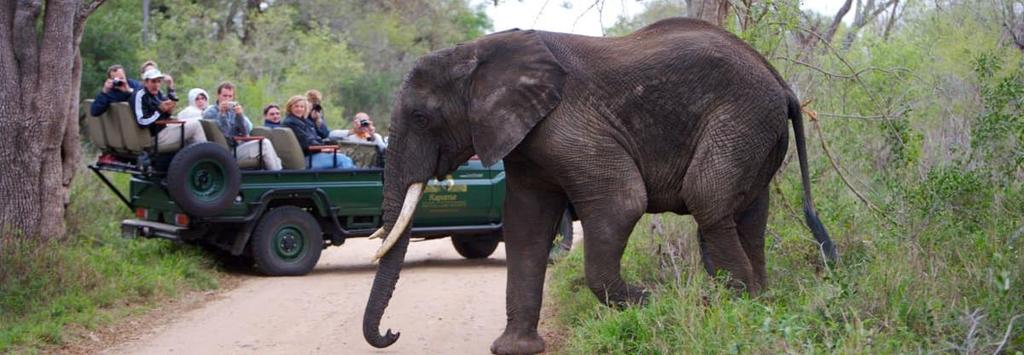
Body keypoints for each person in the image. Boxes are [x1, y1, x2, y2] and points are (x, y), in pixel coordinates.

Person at [202, 82, 283, 171]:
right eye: (224, 96)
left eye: (230, 96)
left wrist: (240, 115)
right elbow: (226, 133)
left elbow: (245, 132)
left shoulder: (233, 110)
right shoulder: (210, 113)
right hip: (228, 150)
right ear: (218, 95)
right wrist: (222, 114)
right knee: (265, 144)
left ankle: (276, 172)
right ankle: (277, 175)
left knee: (274, 155)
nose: (227, 99)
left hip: (239, 146)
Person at [130, 68, 206, 149]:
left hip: (163, 129)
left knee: (197, 121)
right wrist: (159, 111)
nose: (156, 85)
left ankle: (193, 158)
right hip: (155, 136)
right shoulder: (140, 95)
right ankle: (208, 156)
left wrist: (168, 110)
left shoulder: (156, 92)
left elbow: (167, 108)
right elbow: (142, 122)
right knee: (196, 126)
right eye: (153, 81)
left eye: (159, 81)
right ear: (145, 82)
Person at [282, 95, 353, 169]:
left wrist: (318, 120)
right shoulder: (291, 123)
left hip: (313, 153)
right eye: (296, 106)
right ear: (290, 108)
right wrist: (324, 149)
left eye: (302, 107)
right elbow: (306, 142)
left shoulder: (304, 121)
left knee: (346, 159)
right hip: (307, 157)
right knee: (343, 160)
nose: (299, 109)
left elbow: (321, 135)